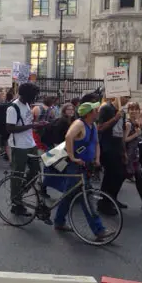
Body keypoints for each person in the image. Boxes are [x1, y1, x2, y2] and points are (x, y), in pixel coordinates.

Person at [53, 102, 114, 241]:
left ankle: (59, 221)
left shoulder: (92, 125)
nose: (98, 111)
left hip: (86, 165)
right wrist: (72, 157)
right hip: (75, 166)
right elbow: (68, 137)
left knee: (68, 195)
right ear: (88, 113)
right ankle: (99, 230)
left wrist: (97, 159)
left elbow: (96, 143)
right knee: (86, 198)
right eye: (95, 109)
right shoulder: (79, 124)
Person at [6, 83, 48, 216]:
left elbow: (28, 123)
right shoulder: (13, 108)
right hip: (19, 146)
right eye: (34, 95)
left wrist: (37, 126)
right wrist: (32, 125)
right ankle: (16, 204)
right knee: (17, 175)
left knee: (35, 171)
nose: (36, 98)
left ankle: (20, 192)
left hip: (30, 143)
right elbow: (10, 128)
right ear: (28, 95)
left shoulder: (27, 105)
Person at [97, 96, 129, 214]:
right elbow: (100, 128)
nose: (126, 100)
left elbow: (121, 132)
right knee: (110, 176)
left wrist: (124, 151)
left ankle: (112, 199)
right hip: (107, 147)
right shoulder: (106, 109)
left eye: (128, 98)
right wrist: (115, 118)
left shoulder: (122, 112)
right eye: (125, 97)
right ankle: (103, 203)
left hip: (117, 147)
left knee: (121, 175)